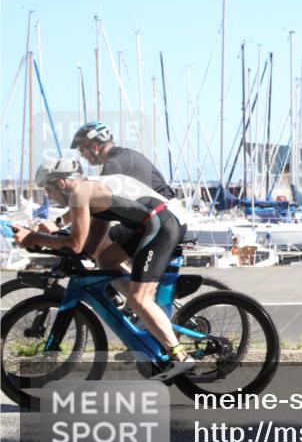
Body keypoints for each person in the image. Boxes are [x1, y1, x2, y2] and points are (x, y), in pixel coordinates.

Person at [13, 157, 194, 380]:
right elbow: (88, 247)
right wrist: (52, 235)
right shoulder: (90, 189)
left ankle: (179, 356)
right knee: (105, 259)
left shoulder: (79, 193)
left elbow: (75, 244)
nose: (48, 196)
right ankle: (143, 313)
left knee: (139, 298)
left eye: (47, 190)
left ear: (60, 183)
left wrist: (34, 238)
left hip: (161, 224)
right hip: (151, 222)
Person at [42, 121, 177, 271]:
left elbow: (90, 202)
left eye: (82, 150)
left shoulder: (115, 163)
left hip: (162, 220)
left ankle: (139, 283)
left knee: (102, 247)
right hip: (152, 219)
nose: (82, 155)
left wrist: (59, 224)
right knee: (105, 260)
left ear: (94, 146)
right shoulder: (122, 157)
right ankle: (124, 285)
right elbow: (98, 208)